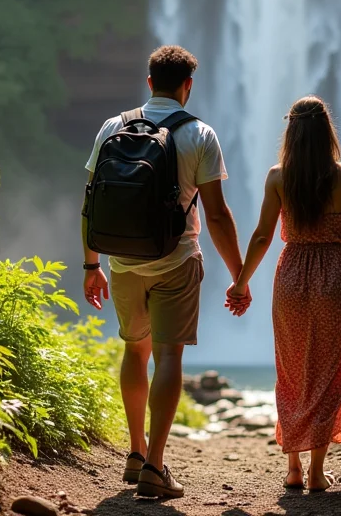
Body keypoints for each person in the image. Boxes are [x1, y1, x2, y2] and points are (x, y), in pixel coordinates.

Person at [82, 45, 251, 499]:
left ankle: (135, 453)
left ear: (149, 81)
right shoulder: (200, 134)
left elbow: (91, 201)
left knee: (134, 352)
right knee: (169, 356)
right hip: (177, 259)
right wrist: (240, 276)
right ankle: (156, 465)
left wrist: (91, 264)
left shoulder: (112, 127)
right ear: (187, 86)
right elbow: (216, 216)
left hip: (121, 262)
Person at [226, 95, 341, 492]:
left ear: (290, 132)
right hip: (335, 277)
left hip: (289, 278)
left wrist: (241, 283)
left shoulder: (278, 177)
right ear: (327, 132)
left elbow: (261, 236)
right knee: (328, 373)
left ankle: (292, 466)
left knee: (291, 373)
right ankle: (317, 472)